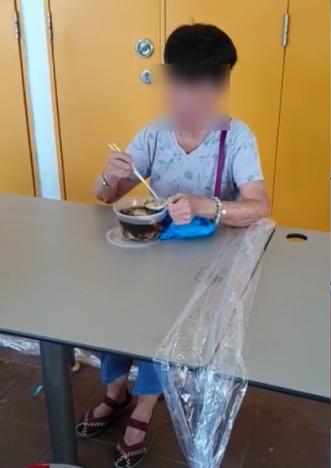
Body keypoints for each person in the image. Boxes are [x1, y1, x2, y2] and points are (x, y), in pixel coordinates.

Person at [78, 24, 269, 467]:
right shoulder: (155, 134)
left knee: (162, 325)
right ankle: (115, 392)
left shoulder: (236, 138)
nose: (189, 103)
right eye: (182, 87)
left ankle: (144, 407)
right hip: (148, 257)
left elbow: (259, 207)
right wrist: (108, 174)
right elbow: (106, 195)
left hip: (202, 270)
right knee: (116, 312)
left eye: (203, 90)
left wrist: (205, 206)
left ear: (218, 88)